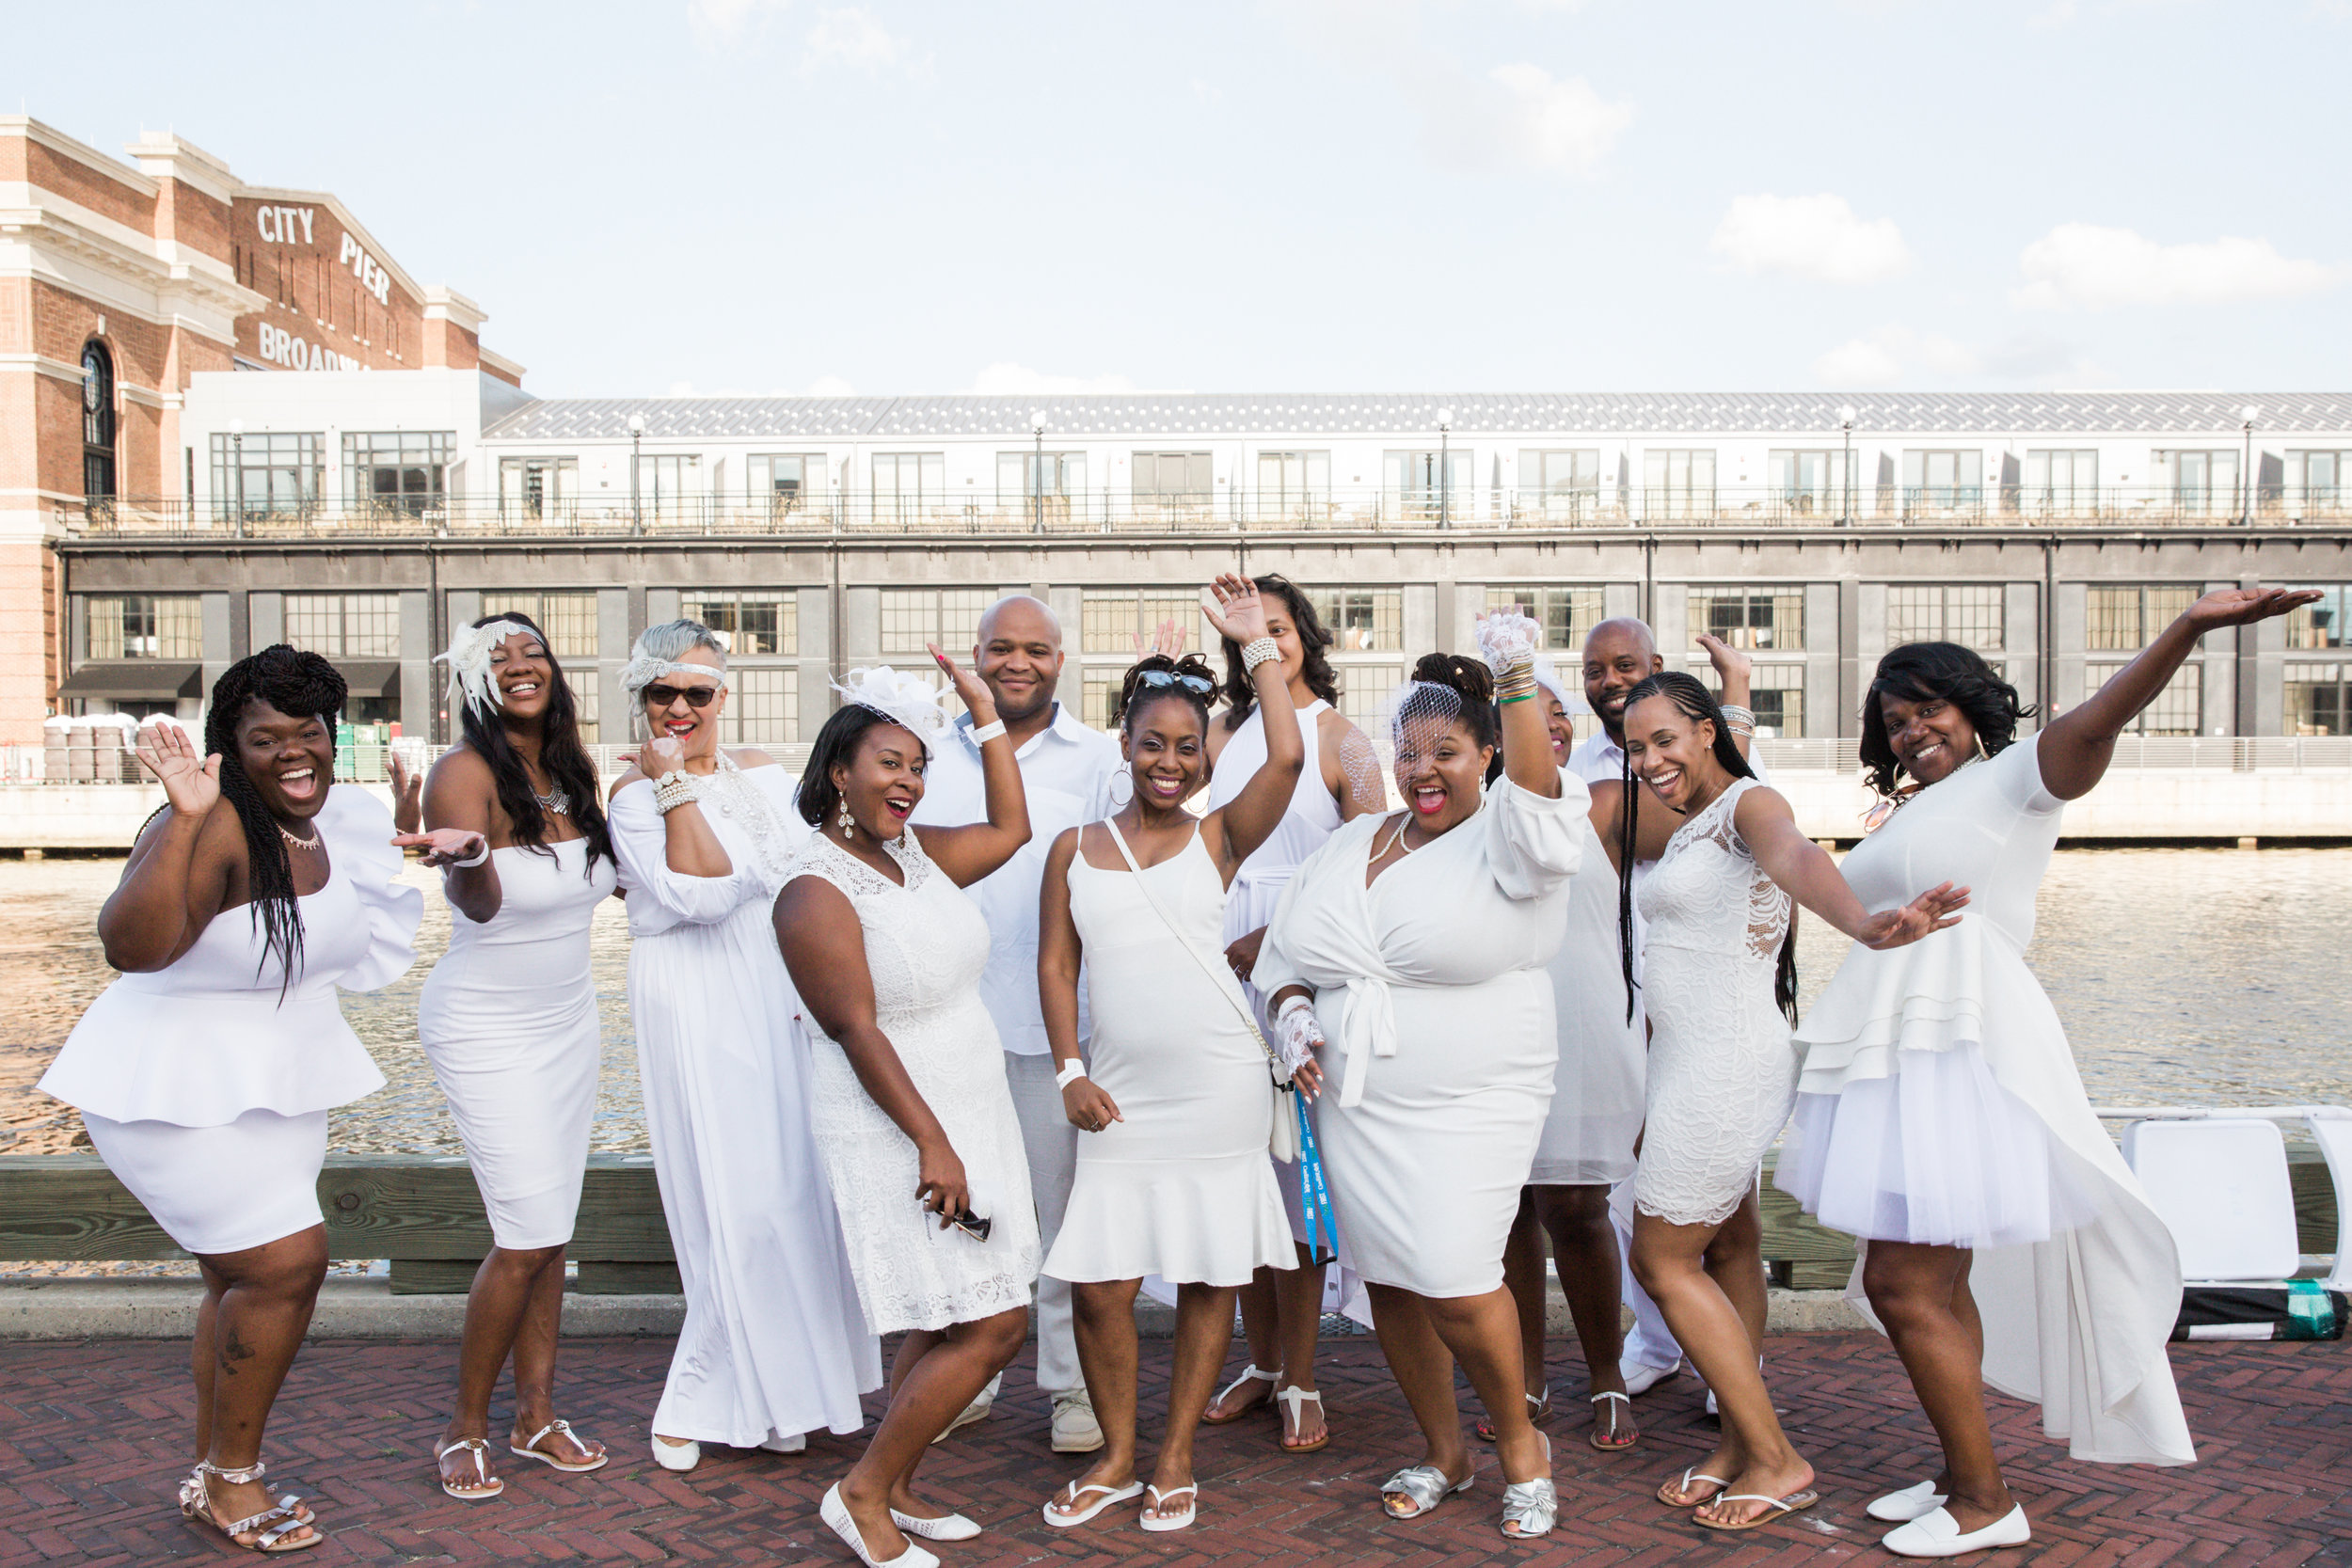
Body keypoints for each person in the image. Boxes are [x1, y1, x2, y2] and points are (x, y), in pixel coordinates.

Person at [1777, 588, 2311, 1557]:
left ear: (1972, 707)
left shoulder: (2018, 776)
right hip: (1903, 1054)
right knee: (1933, 1284)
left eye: (1927, 708)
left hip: (1962, 1052)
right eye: (1893, 720)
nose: (1910, 730)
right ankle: (1958, 1468)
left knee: (1903, 1283)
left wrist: (2187, 627)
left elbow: (2104, 712)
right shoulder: (1907, 808)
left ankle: (1985, 1501)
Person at [39, 648, 421, 1554]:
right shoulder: (211, 828)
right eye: (265, 737)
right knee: (285, 1266)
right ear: (228, 746)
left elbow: (351, 939)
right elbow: (131, 946)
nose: (295, 752)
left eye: (310, 731)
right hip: (170, 1081)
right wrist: (181, 819)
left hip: (281, 1080)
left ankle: (213, 1466)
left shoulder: (331, 820)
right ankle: (232, 1479)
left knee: (237, 1277)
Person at [1600, 671, 1965, 1533]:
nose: (1649, 759)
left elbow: (1797, 856)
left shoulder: (1748, 804)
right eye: (1635, 746)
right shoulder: (1691, 822)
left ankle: (1776, 1456)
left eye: (1664, 740)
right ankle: (1736, 1441)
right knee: (1728, 1248)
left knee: (1661, 1258)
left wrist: (1868, 924)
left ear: (1706, 729)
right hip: (1689, 1062)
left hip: (1726, 1065)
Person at [1252, 611, 1583, 1541]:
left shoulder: (1513, 842)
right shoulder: (1353, 843)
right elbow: (1279, 955)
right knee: (1393, 1280)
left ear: (1486, 755)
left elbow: (1548, 809)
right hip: (1358, 1105)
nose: (1423, 768)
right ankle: (1444, 1447)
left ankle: (1520, 1442)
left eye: (1447, 750)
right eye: (1408, 751)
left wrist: (1515, 676)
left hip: (1475, 1097)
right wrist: (1292, 1014)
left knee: (1456, 1273)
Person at [1034, 578, 1316, 1532]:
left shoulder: (1220, 833)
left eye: (1185, 746)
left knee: (1207, 1273)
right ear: (1123, 743)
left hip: (1217, 1089)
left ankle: (1175, 1453)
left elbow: (1286, 749)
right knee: (1099, 1282)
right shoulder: (1073, 846)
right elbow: (1055, 962)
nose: (1167, 759)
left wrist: (1257, 649)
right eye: (1151, 741)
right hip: (1115, 1094)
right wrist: (1070, 1070)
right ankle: (1116, 1451)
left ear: (1205, 757)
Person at [776, 653, 1038, 1568]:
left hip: (970, 1104)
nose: (910, 781)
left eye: (920, 765)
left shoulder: (915, 858)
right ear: (840, 769)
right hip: (900, 1124)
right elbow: (852, 1027)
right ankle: (859, 1491)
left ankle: (893, 1479)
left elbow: (1012, 825)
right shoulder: (813, 888)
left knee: (943, 1315)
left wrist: (985, 715)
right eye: (890, 761)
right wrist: (933, 1141)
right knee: (995, 1319)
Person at [608, 620, 881, 1472]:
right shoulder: (630, 795)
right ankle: (695, 1395)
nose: (680, 708)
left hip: (776, 991)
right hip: (695, 995)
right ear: (642, 696)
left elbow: (817, 868)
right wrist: (671, 786)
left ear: (724, 695)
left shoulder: (765, 774)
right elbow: (698, 892)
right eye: (663, 694)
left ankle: (778, 1398)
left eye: (697, 693)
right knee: (735, 1196)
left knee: (795, 1189)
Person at [396, 613, 619, 1499]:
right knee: (524, 1233)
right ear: (474, 682)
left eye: (533, 651)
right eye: (499, 657)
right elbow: (478, 903)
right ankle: (463, 1427)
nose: (520, 665)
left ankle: (536, 1417)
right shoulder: (464, 772)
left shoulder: (571, 769)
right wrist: (474, 855)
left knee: (551, 1231)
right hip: (486, 1023)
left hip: (571, 1021)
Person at [906, 594, 1120, 1454]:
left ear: (1061, 661)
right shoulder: (923, 751)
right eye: (1001, 648)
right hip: (947, 1018)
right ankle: (969, 1371)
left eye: (1035, 649)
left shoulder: (1101, 758)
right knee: (962, 1204)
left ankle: (1070, 1387)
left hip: (1055, 1022)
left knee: (1065, 1210)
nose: (1016, 662)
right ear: (975, 654)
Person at [1198, 574, 1382, 1455]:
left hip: (1293, 973)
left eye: (1277, 627)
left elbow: (1378, 857)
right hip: (1212, 971)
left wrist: (1276, 938)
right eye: (1248, 631)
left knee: (1298, 1186)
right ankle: (1262, 1362)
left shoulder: (1344, 738)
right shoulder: (1223, 734)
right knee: (1238, 1180)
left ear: (1303, 634)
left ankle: (1305, 1372)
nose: (1265, 641)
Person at [1564, 616, 1761, 1406]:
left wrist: (1738, 688)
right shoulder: (1584, 774)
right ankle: (1655, 1341)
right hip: (1622, 1009)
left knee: (1727, 1211)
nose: (1608, 680)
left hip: (1706, 1012)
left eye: (1624, 666)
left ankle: (1736, 1376)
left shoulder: (1710, 768)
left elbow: (1750, 813)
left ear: (1655, 669)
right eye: (1595, 668)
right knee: (1628, 1198)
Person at [1483, 657, 1649, 1452]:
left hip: (1584, 1018)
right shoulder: (1467, 816)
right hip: (1496, 1019)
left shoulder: (1607, 800)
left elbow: (1723, 813)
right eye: (1521, 713)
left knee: (1578, 1208)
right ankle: (1526, 1375)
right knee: (1507, 1208)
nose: (1544, 725)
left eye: (1554, 713)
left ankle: (1608, 1371)